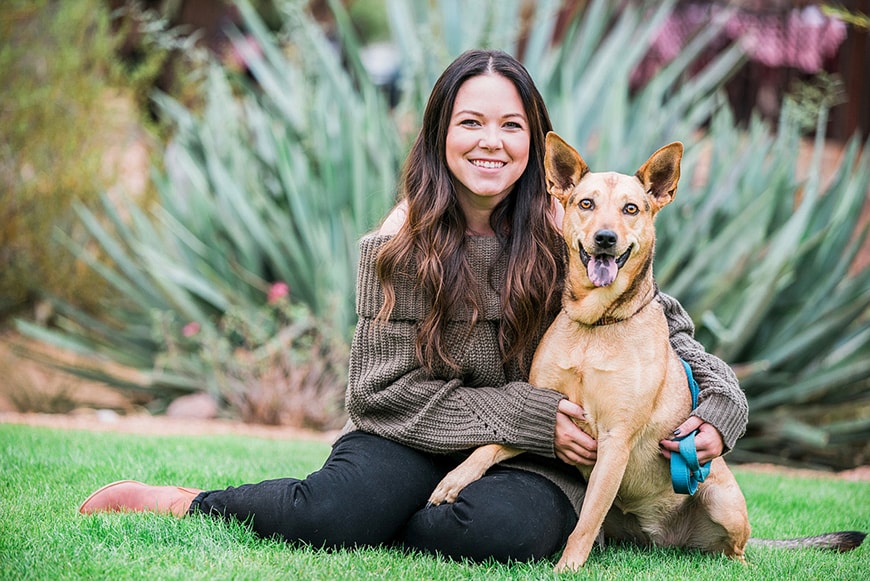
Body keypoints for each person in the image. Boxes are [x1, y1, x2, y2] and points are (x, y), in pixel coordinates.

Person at [79, 49, 748, 564]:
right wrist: (526, 411)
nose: (492, 141)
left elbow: (666, 334)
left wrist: (718, 411)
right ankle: (181, 502)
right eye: (471, 123)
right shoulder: (398, 244)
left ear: (535, 147)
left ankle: (384, 520)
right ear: (441, 133)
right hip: (414, 436)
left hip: (530, 456)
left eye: (512, 125)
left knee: (501, 531)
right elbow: (377, 395)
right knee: (330, 511)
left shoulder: (571, 228)